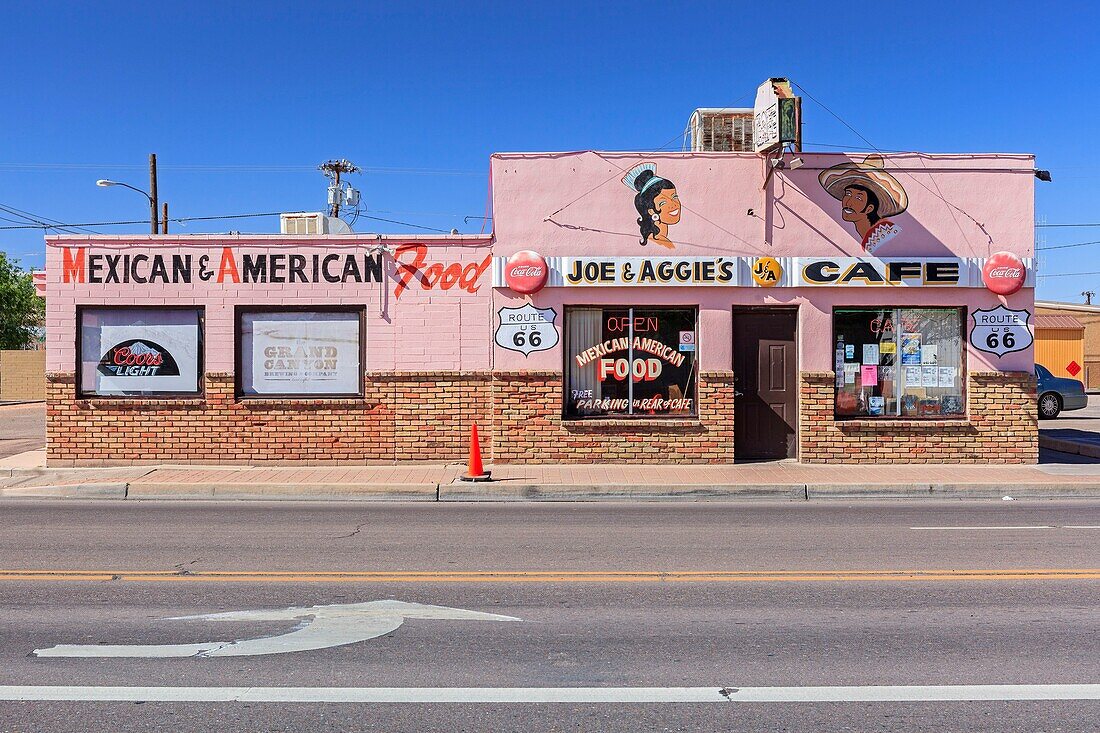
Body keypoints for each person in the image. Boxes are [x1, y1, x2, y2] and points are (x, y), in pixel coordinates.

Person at [818, 154, 908, 254]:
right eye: (848, 194)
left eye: (858, 198)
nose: (848, 202)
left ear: (870, 208)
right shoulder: (872, 236)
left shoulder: (883, 236)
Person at [622, 162, 680, 249]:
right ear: (651, 210)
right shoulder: (665, 244)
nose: (673, 204)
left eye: (674, 197)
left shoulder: (664, 240)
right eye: (663, 203)